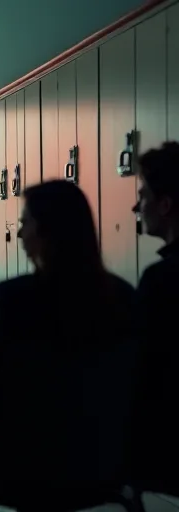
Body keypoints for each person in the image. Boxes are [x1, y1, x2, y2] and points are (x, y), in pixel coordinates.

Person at [0, 181, 135, 511]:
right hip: (101, 464)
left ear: (46, 231)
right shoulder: (123, 296)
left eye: (24, 223)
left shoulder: (14, 297)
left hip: (14, 463)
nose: (19, 234)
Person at [131, 143, 179, 492]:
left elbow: (133, 372)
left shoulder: (162, 281)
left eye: (143, 195)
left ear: (164, 206)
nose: (136, 206)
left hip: (162, 449)